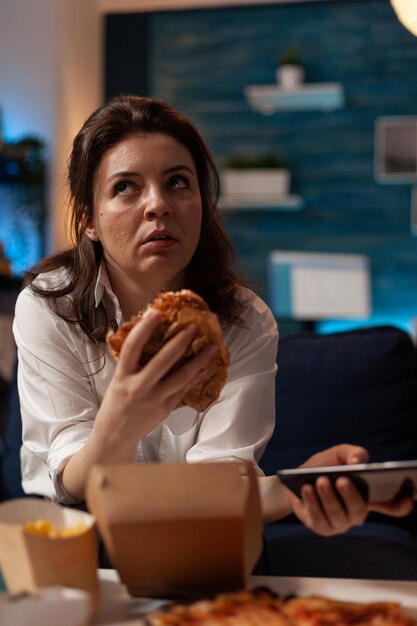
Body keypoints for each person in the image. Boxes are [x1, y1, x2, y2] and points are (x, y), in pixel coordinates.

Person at [13, 95, 411, 538]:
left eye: (178, 182)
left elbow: (218, 486)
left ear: (202, 203)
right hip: (81, 544)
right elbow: (72, 484)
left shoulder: (246, 322)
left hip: (201, 542)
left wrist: (298, 489)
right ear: (89, 220)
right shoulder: (49, 306)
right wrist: (123, 421)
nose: (157, 205)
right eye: (125, 186)